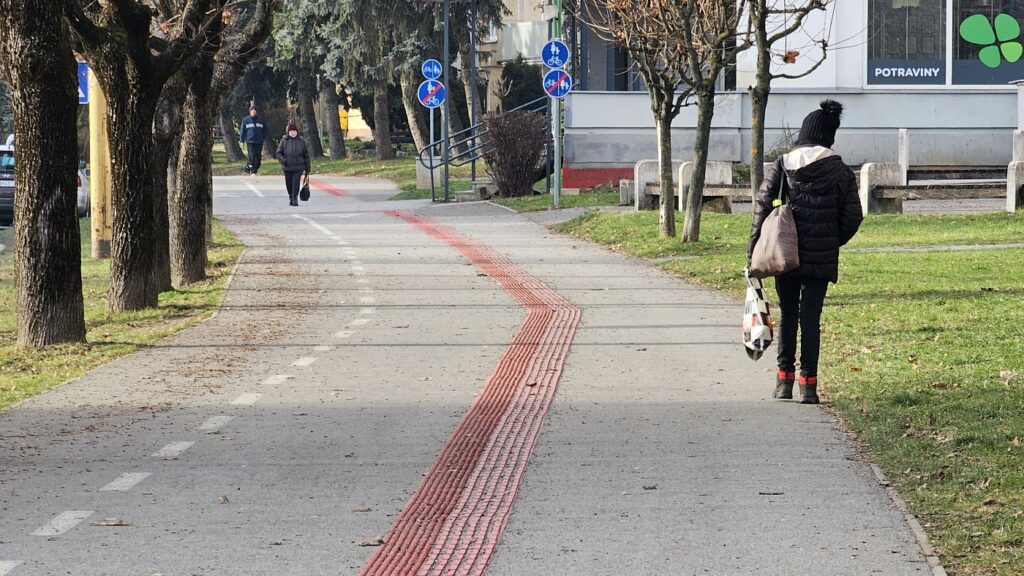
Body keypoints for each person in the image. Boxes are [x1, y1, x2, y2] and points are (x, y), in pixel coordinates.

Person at [748, 100, 863, 405]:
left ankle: (783, 381)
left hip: (783, 253)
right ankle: (809, 385)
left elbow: (762, 207)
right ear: (829, 136)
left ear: (804, 133)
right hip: (820, 257)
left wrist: (752, 253)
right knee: (811, 318)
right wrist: (831, 241)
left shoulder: (783, 164)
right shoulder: (841, 171)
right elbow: (853, 216)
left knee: (788, 313)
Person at [276, 122, 310, 207]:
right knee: (289, 184)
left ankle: (295, 198)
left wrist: (308, 168)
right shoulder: (284, 141)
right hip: (287, 167)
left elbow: (306, 155)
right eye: (291, 131)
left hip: (298, 167)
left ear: (297, 132)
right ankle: (290, 196)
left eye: (294, 131)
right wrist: (283, 161)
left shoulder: (301, 141)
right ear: (288, 132)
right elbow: (278, 153)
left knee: (296, 183)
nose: (293, 133)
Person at [239, 105, 267, 175]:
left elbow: (265, 130)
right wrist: (242, 140)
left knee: (258, 157)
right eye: (252, 112)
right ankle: (252, 170)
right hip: (250, 141)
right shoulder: (246, 120)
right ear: (250, 112)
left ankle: (250, 168)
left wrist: (263, 138)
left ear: (256, 112)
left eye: (254, 112)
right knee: (252, 156)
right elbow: (242, 131)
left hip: (259, 141)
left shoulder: (261, 120)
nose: (253, 113)